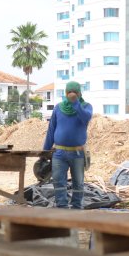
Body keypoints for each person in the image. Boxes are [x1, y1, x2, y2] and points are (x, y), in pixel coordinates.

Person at [43, 81, 93, 209]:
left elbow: (85, 118)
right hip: (59, 153)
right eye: (69, 92)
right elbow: (51, 129)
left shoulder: (86, 107)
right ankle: (62, 208)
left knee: (78, 183)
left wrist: (75, 103)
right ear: (65, 93)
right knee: (59, 182)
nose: (71, 94)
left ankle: (76, 208)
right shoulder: (58, 108)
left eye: (74, 92)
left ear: (79, 93)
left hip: (77, 153)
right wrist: (45, 151)